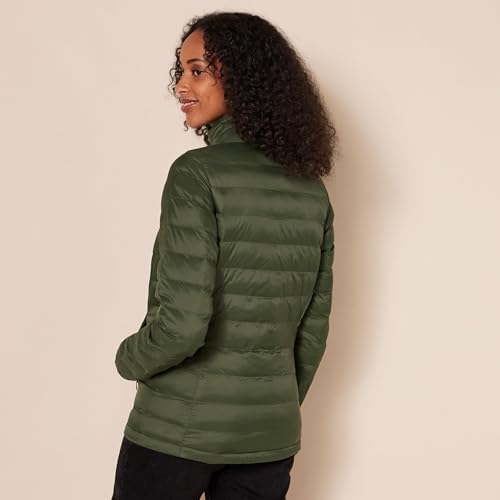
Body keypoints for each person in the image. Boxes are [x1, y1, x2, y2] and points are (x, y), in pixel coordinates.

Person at [111, 11, 337, 500]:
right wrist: (270, 405)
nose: (181, 86)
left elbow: (183, 325)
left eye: (197, 71)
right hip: (270, 435)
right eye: (181, 71)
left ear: (243, 78)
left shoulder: (196, 174)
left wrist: (128, 358)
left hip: (175, 429)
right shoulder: (311, 189)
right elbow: (312, 333)